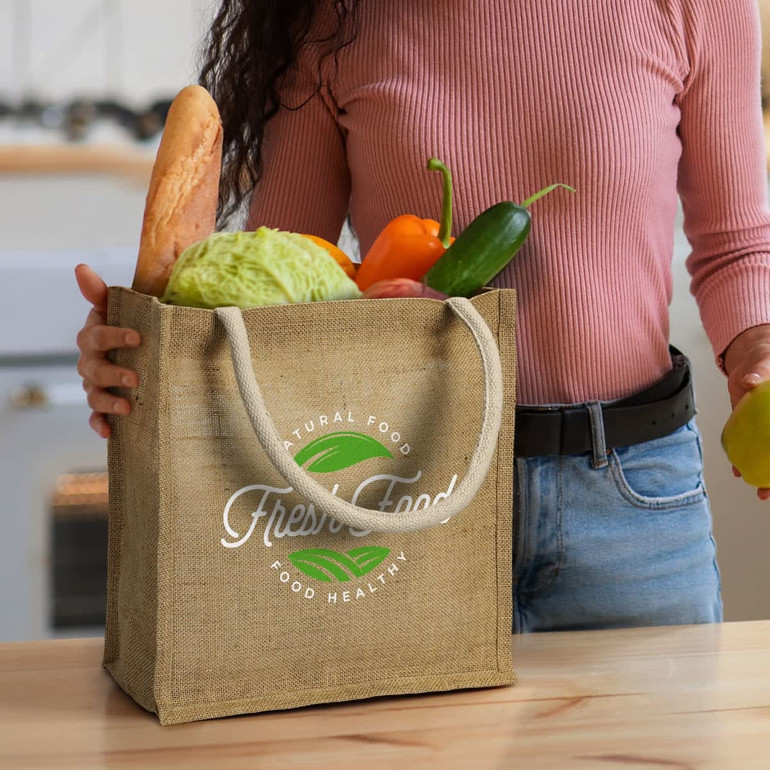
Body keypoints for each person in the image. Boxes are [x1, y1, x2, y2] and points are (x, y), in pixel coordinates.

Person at [75, 0, 770, 632]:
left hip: (635, 503)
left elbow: (737, 244)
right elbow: (273, 297)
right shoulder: (327, 20)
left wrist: (757, 354)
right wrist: (146, 345)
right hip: (403, 496)